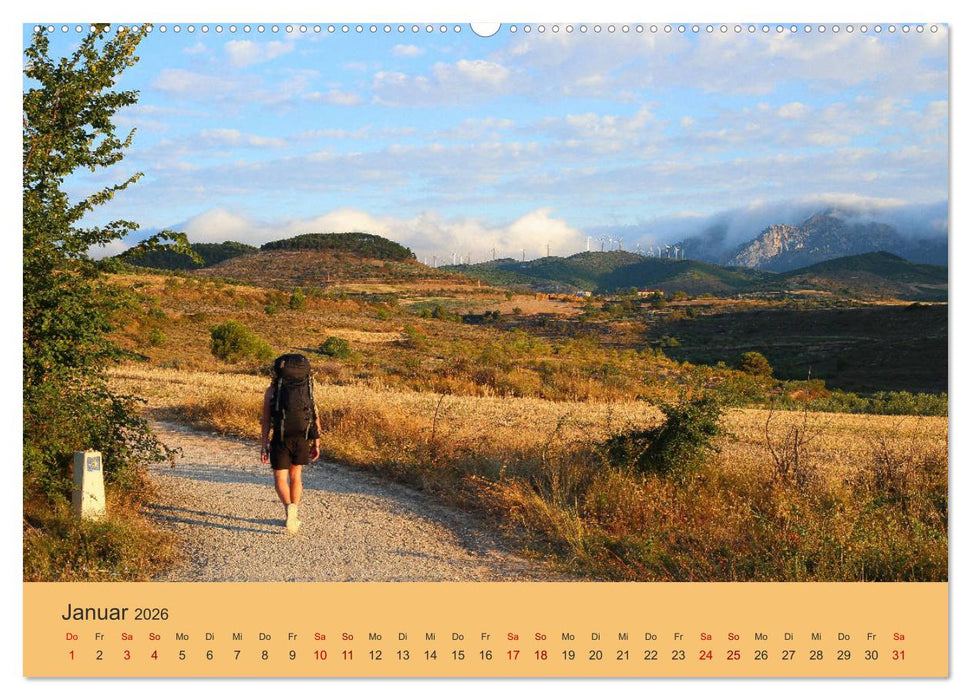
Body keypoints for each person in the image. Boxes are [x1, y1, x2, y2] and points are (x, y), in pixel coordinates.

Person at [260, 358, 322, 533]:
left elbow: (266, 421)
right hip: (302, 438)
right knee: (296, 476)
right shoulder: (306, 391)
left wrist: (264, 446)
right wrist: (316, 442)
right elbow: (314, 417)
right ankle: (294, 510)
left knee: (280, 478)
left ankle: (289, 508)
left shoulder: (271, 391)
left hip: (280, 438)